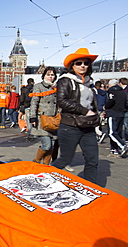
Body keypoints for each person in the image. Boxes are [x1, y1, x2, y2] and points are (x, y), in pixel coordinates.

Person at [51, 48, 99, 183]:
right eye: (79, 63)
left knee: (92, 159)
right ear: (72, 65)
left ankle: (92, 187)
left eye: (86, 63)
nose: (83, 65)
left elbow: (92, 103)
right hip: (70, 126)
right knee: (65, 159)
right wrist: (84, 111)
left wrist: (96, 116)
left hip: (88, 126)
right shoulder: (66, 80)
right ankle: (45, 178)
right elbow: (62, 101)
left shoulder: (90, 82)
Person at [29, 67, 58, 165]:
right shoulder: (38, 86)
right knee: (47, 145)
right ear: (44, 76)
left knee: (52, 145)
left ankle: (46, 166)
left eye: (52, 75)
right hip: (42, 119)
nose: (50, 77)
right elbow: (34, 102)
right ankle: (36, 162)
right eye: (48, 74)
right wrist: (33, 117)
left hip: (53, 121)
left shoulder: (56, 88)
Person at [105, 79, 128, 157]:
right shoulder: (123, 92)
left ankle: (122, 145)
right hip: (121, 113)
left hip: (113, 113)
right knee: (118, 132)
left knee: (112, 133)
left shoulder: (112, 91)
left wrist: (106, 106)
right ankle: (115, 148)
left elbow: (111, 100)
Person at [119, 78, 128, 143]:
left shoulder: (124, 91)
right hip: (124, 109)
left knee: (125, 125)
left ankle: (126, 138)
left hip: (125, 109)